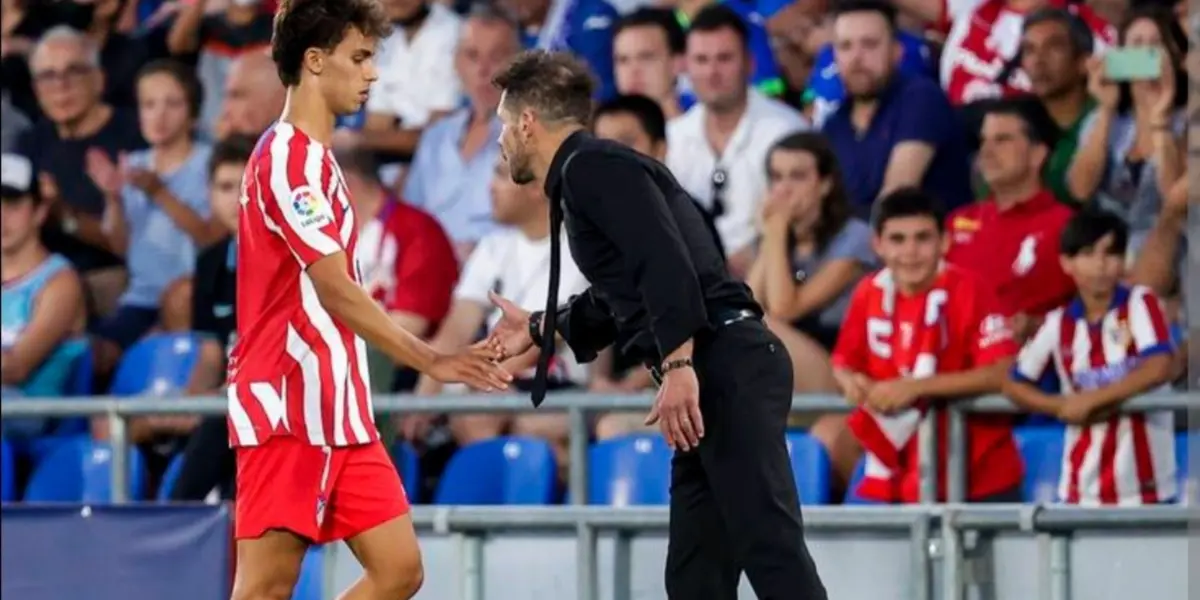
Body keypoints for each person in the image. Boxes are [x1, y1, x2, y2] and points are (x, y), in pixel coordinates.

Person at [485, 50, 826, 600]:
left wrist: (679, 364)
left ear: (528, 123)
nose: (501, 142)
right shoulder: (595, 170)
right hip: (716, 365)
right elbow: (626, 288)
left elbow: (664, 265)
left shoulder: (592, 167)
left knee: (770, 549)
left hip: (722, 364)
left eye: (503, 125)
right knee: (696, 576)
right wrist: (540, 328)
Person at [227, 1, 512, 598]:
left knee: (399, 571)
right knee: (264, 588)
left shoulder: (320, 160)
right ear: (314, 61)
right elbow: (334, 289)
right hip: (287, 404)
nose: (371, 74)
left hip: (339, 408)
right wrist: (431, 359)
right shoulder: (285, 160)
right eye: (358, 58)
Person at [832, 188, 1023, 502]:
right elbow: (843, 360)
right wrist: (848, 380)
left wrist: (917, 387)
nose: (910, 252)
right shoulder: (868, 293)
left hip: (980, 477)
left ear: (944, 242)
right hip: (900, 478)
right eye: (897, 240)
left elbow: (1000, 372)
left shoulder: (971, 289)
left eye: (923, 238)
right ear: (877, 245)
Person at [1004, 208, 1178, 505]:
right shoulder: (1058, 323)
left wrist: (1093, 401)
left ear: (1123, 261)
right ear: (1066, 263)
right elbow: (1014, 384)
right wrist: (1059, 406)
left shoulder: (1139, 304)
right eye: (1087, 254)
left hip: (1149, 492)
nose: (1100, 265)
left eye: (1110, 253)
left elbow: (1160, 366)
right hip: (1079, 492)